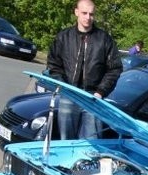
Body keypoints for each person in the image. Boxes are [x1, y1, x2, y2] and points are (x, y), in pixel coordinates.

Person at [46, 0, 122, 139]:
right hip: (69, 95)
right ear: (76, 12)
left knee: (91, 142)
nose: (88, 17)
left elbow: (115, 68)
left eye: (91, 14)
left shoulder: (104, 39)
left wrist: (101, 92)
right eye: (84, 13)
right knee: (66, 141)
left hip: (93, 99)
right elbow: (54, 64)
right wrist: (62, 86)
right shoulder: (63, 37)